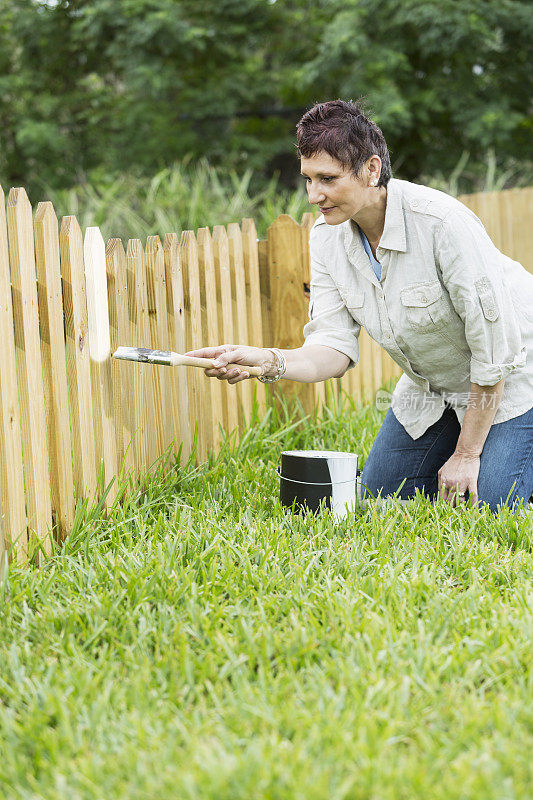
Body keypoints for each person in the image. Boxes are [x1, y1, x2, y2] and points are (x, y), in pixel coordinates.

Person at [185, 99, 533, 513]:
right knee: (379, 498)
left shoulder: (442, 224)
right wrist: (266, 361)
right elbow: (333, 346)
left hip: (514, 379)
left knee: (491, 506)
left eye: (328, 179)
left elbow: (495, 356)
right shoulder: (327, 236)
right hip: (433, 390)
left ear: (371, 169)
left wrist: (467, 454)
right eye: (309, 179)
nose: (314, 195)